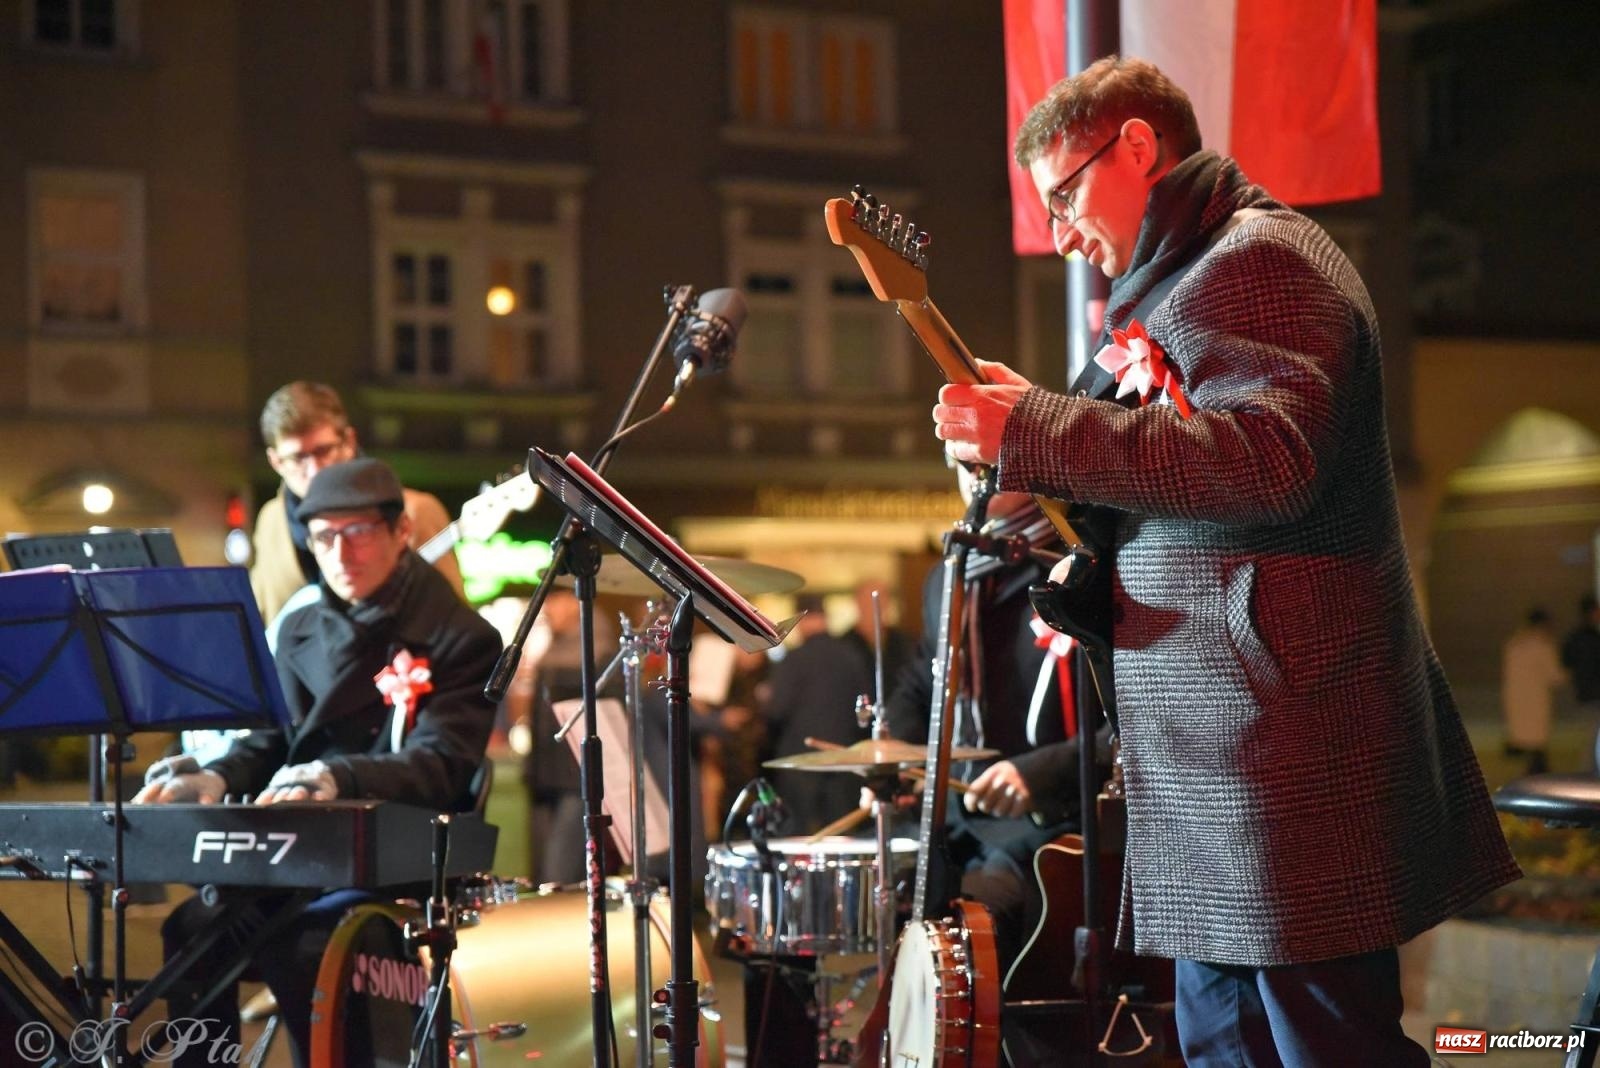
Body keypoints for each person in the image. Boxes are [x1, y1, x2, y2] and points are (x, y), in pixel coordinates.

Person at [931, 56, 1519, 1066]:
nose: (1062, 231)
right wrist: (1022, 468)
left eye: (1064, 195)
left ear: (1137, 146)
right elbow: (1152, 494)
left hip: (1278, 760)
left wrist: (1037, 427)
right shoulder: (1186, 283)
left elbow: (1271, 460)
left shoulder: (1259, 259)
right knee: (1233, 1051)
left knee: (1325, 1048)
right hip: (1224, 768)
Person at [134, 458, 502, 1068]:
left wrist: (338, 777)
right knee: (191, 932)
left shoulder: (460, 636)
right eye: (325, 536)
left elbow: (441, 765)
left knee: (312, 942)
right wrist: (214, 775)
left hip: (394, 860)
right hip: (297, 855)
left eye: (358, 532)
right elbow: (271, 742)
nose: (340, 552)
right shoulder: (302, 622)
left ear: (401, 532)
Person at [882, 459, 1103, 970]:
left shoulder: (1082, 561)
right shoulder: (950, 573)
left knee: (971, 928)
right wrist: (892, 749)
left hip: (1050, 825)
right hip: (959, 819)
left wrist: (1040, 772)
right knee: (883, 906)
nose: (976, 476)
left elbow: (1131, 719)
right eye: (964, 463)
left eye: (992, 461)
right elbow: (923, 678)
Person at [250, 380, 462, 627]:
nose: (315, 470)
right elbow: (262, 618)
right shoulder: (271, 520)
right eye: (298, 458)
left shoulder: (415, 512)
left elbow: (455, 624)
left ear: (349, 442)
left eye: (323, 451)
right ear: (276, 462)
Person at [761, 593, 873, 834]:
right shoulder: (852, 657)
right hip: (842, 759)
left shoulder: (793, 659)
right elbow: (865, 710)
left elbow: (777, 710)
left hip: (800, 763)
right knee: (842, 836)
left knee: (798, 839)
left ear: (801, 621)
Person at [1501, 607, 1565, 774]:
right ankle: (1538, 774)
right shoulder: (1543, 646)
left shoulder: (1514, 644)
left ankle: (1536, 771)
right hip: (1536, 700)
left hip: (1517, 699)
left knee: (1530, 741)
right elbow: (1555, 676)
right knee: (1537, 742)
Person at [1561, 593, 1600, 767]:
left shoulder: (1574, 637)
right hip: (1594, 693)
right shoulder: (1593, 638)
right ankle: (1588, 772)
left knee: (1590, 736)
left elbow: (1566, 661)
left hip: (1584, 693)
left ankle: (1588, 770)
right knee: (1591, 738)